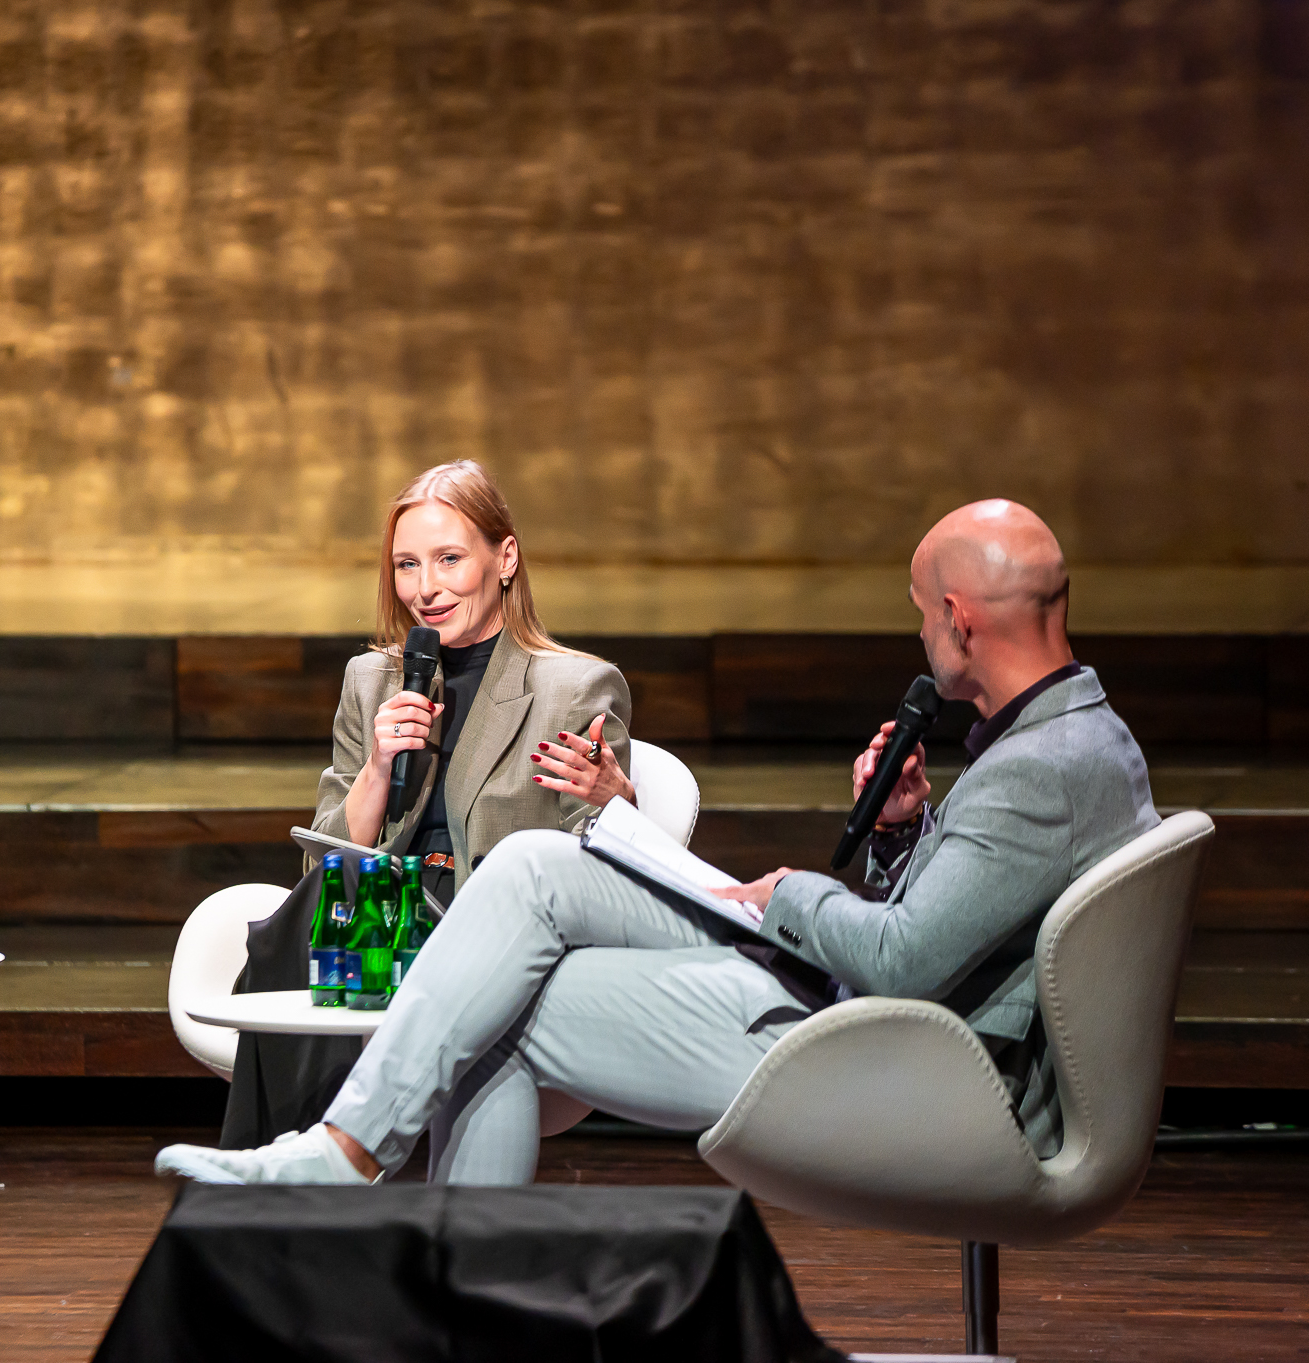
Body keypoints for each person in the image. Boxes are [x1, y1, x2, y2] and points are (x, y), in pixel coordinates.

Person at [161, 498, 1159, 1187]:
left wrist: (789, 892)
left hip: (911, 1060)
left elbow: (903, 959)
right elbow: (959, 912)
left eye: (918, 615)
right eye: (406, 565)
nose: (920, 639)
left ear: (958, 619)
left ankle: (363, 1176)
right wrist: (902, 835)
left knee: (495, 998)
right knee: (525, 891)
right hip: (868, 1006)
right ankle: (368, 1179)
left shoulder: (1038, 768)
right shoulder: (1076, 741)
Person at [222, 460, 633, 1146]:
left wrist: (618, 802)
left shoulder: (575, 687)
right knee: (317, 907)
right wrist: (378, 767)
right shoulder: (371, 681)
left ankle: (288, 1174)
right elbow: (323, 862)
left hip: (488, 929)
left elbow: (603, 883)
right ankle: (304, 1172)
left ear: (505, 558)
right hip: (374, 915)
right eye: (407, 566)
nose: (425, 588)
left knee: (291, 942)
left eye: (448, 559)